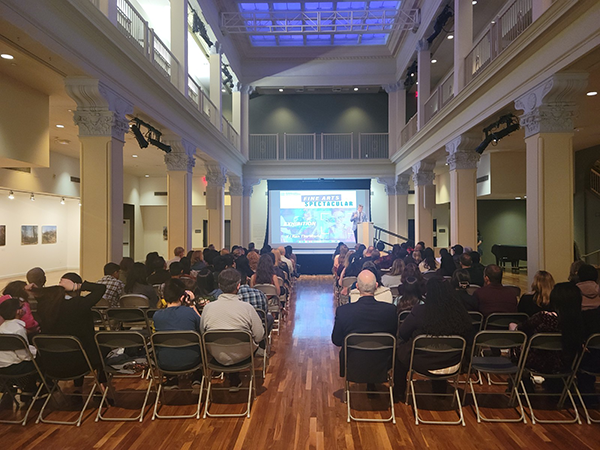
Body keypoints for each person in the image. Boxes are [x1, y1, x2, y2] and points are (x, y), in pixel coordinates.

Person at [395, 278, 472, 398]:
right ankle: (439, 390)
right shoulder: (460, 313)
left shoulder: (420, 311)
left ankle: (399, 392)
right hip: (453, 362)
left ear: (428, 294)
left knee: (399, 352)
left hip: (423, 362)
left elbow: (403, 333)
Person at [200, 269, 265, 391]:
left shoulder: (208, 308)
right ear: (238, 285)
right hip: (243, 354)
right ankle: (234, 378)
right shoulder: (247, 308)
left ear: (219, 286)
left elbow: (203, 333)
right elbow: (259, 335)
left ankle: (233, 379)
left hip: (217, 355)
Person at [513, 282, 584, 391]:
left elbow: (522, 328)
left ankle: (524, 384)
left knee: (516, 341)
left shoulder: (544, 318)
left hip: (540, 362)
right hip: (568, 364)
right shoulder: (582, 321)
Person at [36, 273, 107, 382]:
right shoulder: (79, 304)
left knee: (75, 346)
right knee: (104, 348)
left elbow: (37, 294)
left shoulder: (44, 306)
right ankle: (101, 388)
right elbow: (101, 288)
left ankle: (77, 388)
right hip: (79, 364)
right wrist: (80, 286)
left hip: (51, 364)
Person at [331, 270, 398, 383]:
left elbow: (337, 340)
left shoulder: (343, 311)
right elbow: (394, 336)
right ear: (376, 286)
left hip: (353, 362)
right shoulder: (390, 310)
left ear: (357, 287)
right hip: (383, 362)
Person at [152, 279, 202, 390]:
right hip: (191, 360)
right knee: (201, 343)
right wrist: (192, 304)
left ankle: (171, 380)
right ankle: (196, 380)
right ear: (182, 296)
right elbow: (202, 327)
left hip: (164, 362)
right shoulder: (190, 312)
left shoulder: (157, 315)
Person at [0, 297, 39, 393]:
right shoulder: (18, 329)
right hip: (15, 367)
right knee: (41, 361)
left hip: (2, 367)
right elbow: (25, 356)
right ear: (18, 311)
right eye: (22, 306)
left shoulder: (2, 328)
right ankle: (35, 390)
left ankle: (28, 390)